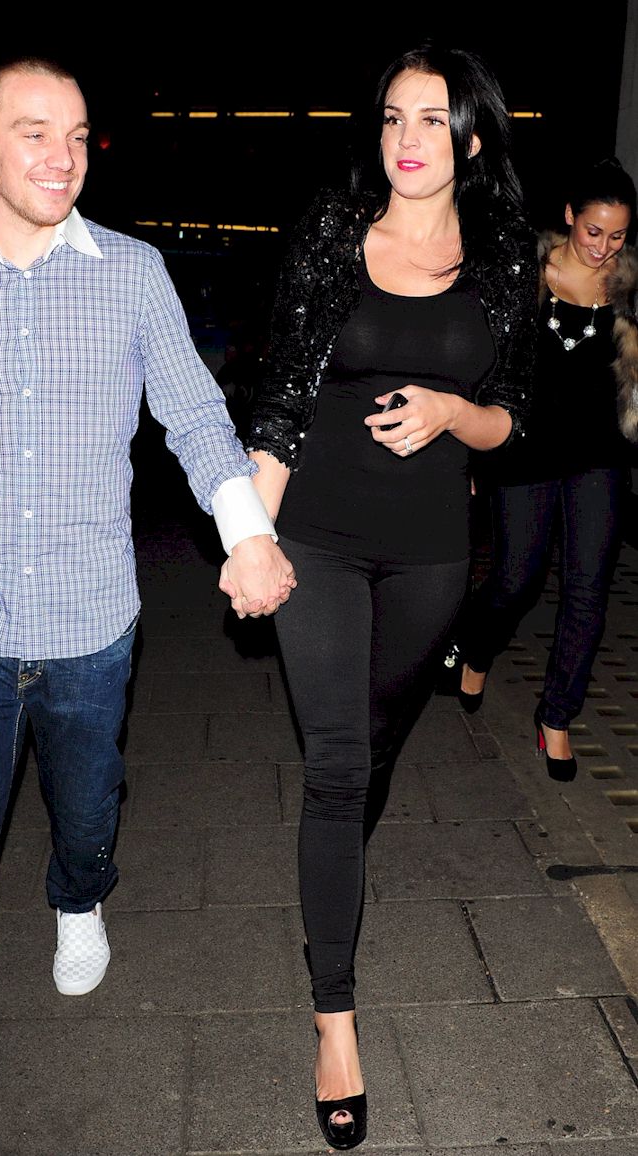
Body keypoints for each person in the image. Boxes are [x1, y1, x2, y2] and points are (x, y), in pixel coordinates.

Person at [0, 55, 295, 1154]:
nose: (62, 157)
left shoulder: (133, 273)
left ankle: (79, 892)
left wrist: (248, 533)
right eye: (33, 131)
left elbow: (193, 413)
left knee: (87, 811)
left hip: (92, 623)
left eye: (79, 135)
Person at [242, 43, 536, 1150]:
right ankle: (336, 1019)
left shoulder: (504, 255)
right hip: (317, 532)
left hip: (428, 555)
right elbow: (281, 394)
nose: (407, 138)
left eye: (431, 119)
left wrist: (454, 413)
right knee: (334, 765)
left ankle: (333, 863)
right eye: (391, 117)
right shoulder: (332, 230)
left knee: (368, 748)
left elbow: (512, 415)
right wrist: (251, 534)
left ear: (470, 137)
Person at [459, 157, 638, 780]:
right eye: (594, 231)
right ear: (569, 216)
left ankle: (557, 717)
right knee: (517, 580)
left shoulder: (631, 290)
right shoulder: (525, 271)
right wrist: (472, 447)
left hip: (600, 459)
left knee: (588, 591)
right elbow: (482, 361)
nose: (604, 247)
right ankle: (476, 646)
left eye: (618, 236)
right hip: (524, 451)